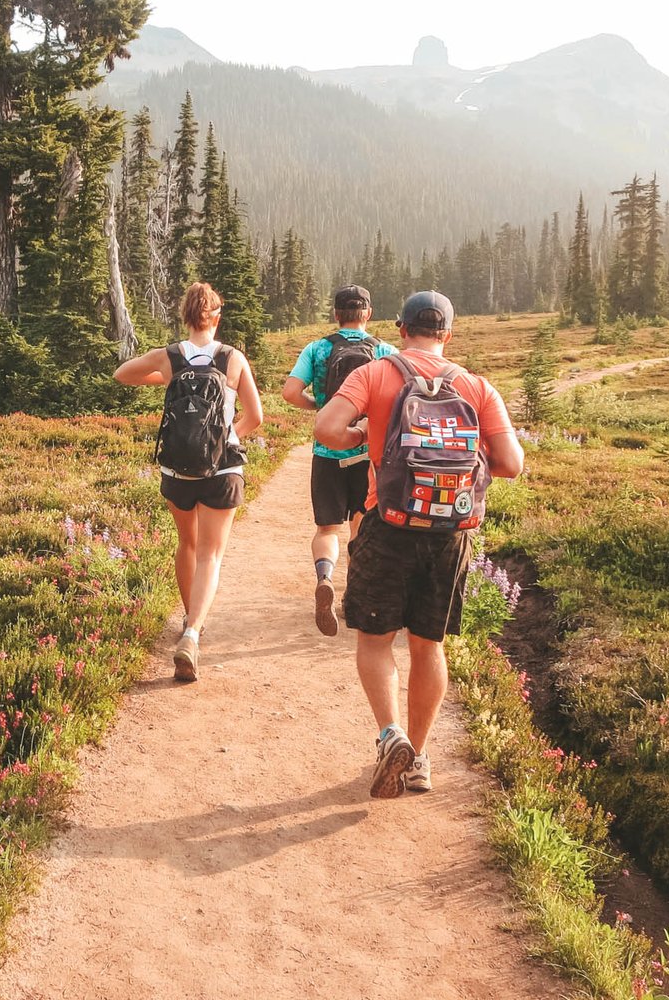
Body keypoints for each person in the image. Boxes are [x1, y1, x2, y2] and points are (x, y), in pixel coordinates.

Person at [313, 290, 523, 798]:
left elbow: (326, 427)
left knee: (374, 638)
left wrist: (369, 440)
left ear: (401, 329)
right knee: (430, 644)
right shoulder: (477, 387)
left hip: (387, 520)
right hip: (451, 529)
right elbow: (512, 463)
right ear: (448, 334)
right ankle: (420, 758)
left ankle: (391, 734)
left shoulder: (376, 373)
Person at [114, 281, 264, 682]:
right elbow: (256, 416)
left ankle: (188, 622)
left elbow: (122, 374)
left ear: (185, 317)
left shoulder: (170, 356)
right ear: (216, 317)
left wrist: (161, 379)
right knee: (210, 555)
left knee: (187, 543)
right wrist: (229, 437)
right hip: (223, 468)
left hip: (177, 468)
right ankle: (194, 631)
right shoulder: (233, 358)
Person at [281, 284, 395, 637]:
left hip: (328, 453)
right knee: (360, 526)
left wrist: (322, 408)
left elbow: (289, 392)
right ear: (368, 314)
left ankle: (325, 576)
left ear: (336, 314)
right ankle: (352, 597)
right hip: (367, 454)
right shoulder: (383, 350)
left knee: (327, 528)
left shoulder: (318, 348)